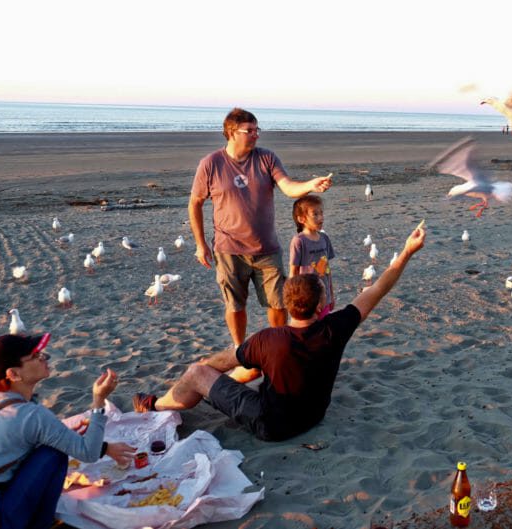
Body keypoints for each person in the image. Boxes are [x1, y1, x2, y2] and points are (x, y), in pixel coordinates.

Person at [133, 225, 426, 441]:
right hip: (313, 416)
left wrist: (209, 378)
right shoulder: (336, 328)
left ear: (287, 305)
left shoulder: (268, 339)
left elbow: (219, 363)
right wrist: (407, 251)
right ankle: (210, 391)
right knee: (249, 372)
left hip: (271, 426)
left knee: (198, 372)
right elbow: (378, 289)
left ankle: (155, 406)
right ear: (320, 304)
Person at [0, 333, 136, 529]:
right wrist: (99, 400)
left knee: (49, 448)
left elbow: (19, 435)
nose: (43, 357)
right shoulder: (31, 415)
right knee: (54, 453)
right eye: (34, 357)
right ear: (13, 374)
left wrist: (61, 432)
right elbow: (89, 453)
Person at [189, 107, 333, 349]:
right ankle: (239, 348)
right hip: (228, 249)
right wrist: (200, 244)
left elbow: (288, 187)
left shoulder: (266, 158)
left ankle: (279, 345)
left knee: (278, 303)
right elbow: (195, 203)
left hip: (267, 248)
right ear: (232, 132)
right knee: (235, 305)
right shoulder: (210, 164)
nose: (256, 135)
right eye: (250, 130)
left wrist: (311, 185)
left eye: (257, 130)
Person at [289, 195, 336, 318]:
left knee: (323, 329)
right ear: (301, 219)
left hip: (325, 298)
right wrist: (293, 298)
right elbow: (293, 272)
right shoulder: (299, 241)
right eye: (315, 214)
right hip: (306, 299)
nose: (321, 218)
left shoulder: (324, 238)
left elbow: (328, 270)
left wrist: (331, 294)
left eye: (321, 213)